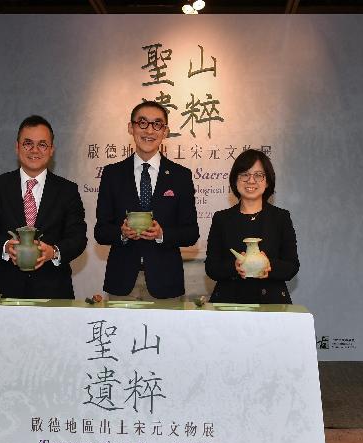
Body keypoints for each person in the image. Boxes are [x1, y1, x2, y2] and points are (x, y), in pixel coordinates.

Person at [94, 101, 199, 299]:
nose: (149, 130)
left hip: (166, 282)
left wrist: (161, 234)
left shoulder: (180, 176)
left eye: (157, 124)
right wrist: (122, 233)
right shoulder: (112, 174)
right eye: (142, 123)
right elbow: (101, 232)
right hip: (122, 283)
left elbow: (191, 233)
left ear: (165, 131)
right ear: (130, 127)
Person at [0, 115, 87, 299]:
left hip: (54, 289)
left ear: (51, 150)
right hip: (4, 288)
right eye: (28, 143)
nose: (35, 150)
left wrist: (54, 252)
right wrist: (5, 247)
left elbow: (78, 237)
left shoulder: (67, 190)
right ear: (17, 147)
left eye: (42, 144)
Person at [205, 149, 299, 304]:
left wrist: (270, 266)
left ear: (267, 181)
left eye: (258, 175)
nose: (251, 180)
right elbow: (211, 267)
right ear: (235, 180)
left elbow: (292, 266)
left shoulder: (281, 218)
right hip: (229, 303)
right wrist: (234, 267)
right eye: (244, 174)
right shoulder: (222, 218)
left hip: (271, 303)